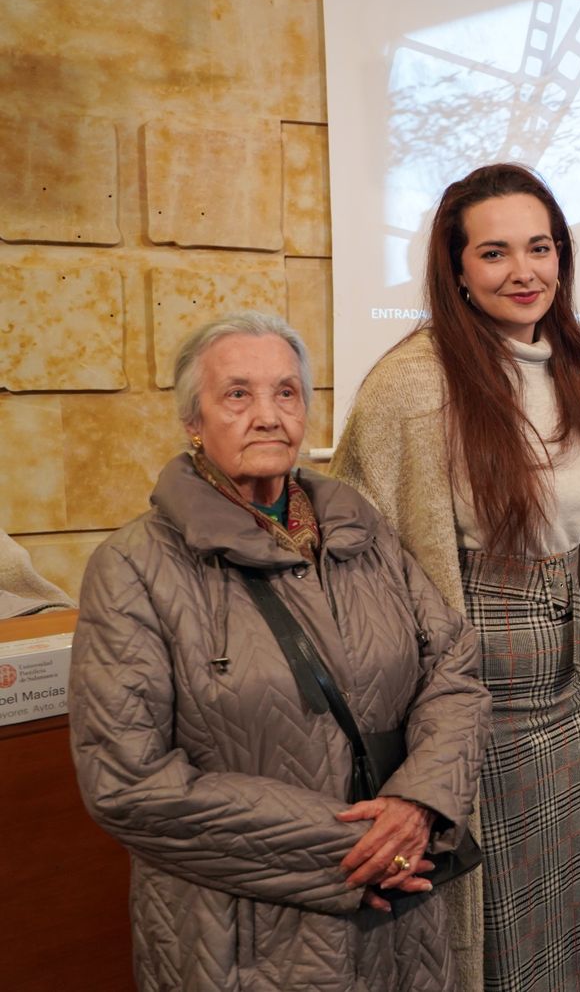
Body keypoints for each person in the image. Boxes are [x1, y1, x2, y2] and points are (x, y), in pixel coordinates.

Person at [69, 312, 490, 991]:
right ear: (193, 421)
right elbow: (128, 782)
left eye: (286, 392)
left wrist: (418, 805)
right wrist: (355, 845)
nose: (267, 415)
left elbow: (454, 673)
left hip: (401, 923)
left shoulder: (364, 533)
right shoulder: (133, 567)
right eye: (238, 395)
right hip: (241, 937)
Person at [332, 163, 580, 992]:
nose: (524, 271)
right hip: (470, 698)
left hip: (565, 690)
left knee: (570, 916)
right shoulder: (412, 384)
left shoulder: (571, 370)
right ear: (457, 269)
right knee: (493, 930)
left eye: (540, 248)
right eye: (496, 253)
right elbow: (362, 571)